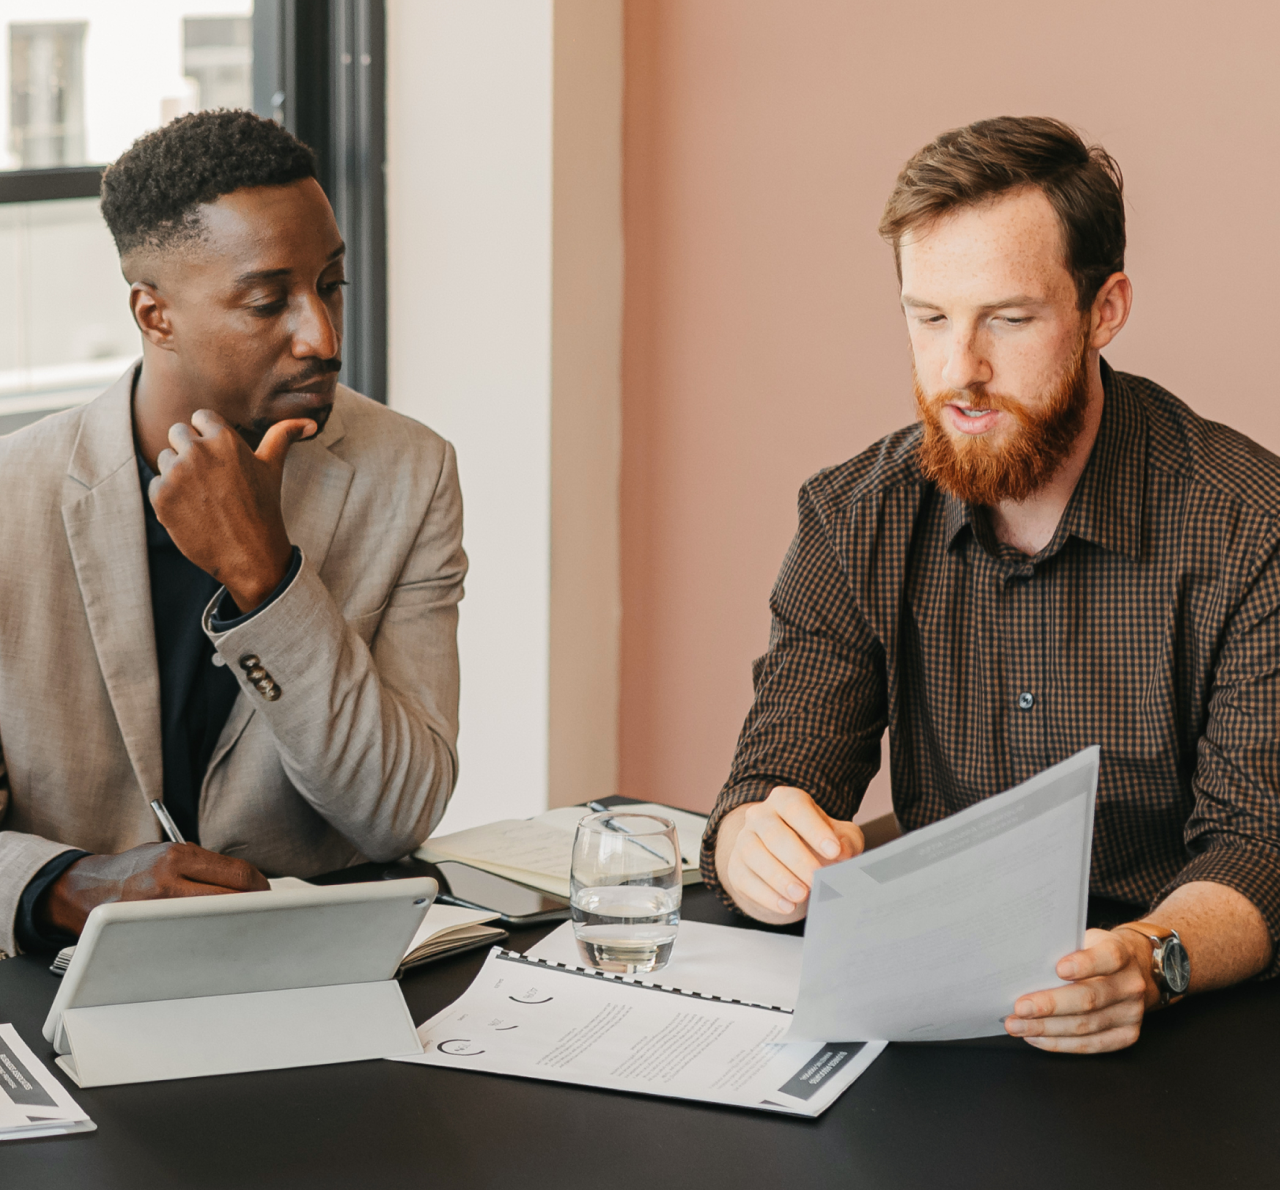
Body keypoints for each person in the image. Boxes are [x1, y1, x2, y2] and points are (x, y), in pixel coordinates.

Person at [704, 116, 1279, 1053]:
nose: (958, 372)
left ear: (1106, 309)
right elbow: (777, 777)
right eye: (928, 318)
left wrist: (1143, 961)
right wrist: (752, 845)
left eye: (1008, 320)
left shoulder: (1250, 528)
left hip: (1185, 1019)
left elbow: (1261, 846)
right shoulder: (855, 515)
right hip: (939, 1000)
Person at [0, 110, 465, 958]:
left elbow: (397, 811)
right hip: (56, 989)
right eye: (267, 301)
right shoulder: (9, 499)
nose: (322, 337)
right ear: (155, 315)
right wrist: (66, 882)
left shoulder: (411, 473)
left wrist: (269, 580)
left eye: (332, 285)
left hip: (323, 972)